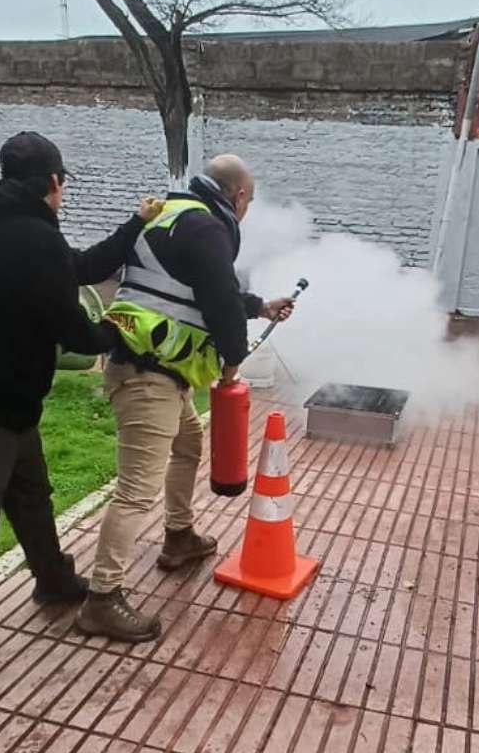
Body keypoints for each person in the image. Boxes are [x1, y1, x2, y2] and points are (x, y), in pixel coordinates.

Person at [0, 131, 163, 700]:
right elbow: (73, 329)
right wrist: (123, 331)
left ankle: (52, 580)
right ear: (54, 182)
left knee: (30, 494)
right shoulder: (30, 238)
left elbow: (80, 265)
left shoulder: (5, 228)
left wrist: (133, 224)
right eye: (64, 182)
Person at [76, 154, 293, 643]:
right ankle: (102, 598)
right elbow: (218, 302)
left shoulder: (173, 216)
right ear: (238, 197)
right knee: (135, 490)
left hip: (158, 374)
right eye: (250, 203)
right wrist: (233, 364)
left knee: (189, 444)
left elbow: (196, 290)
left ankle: (178, 536)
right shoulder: (209, 229)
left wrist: (260, 306)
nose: (247, 212)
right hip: (146, 379)